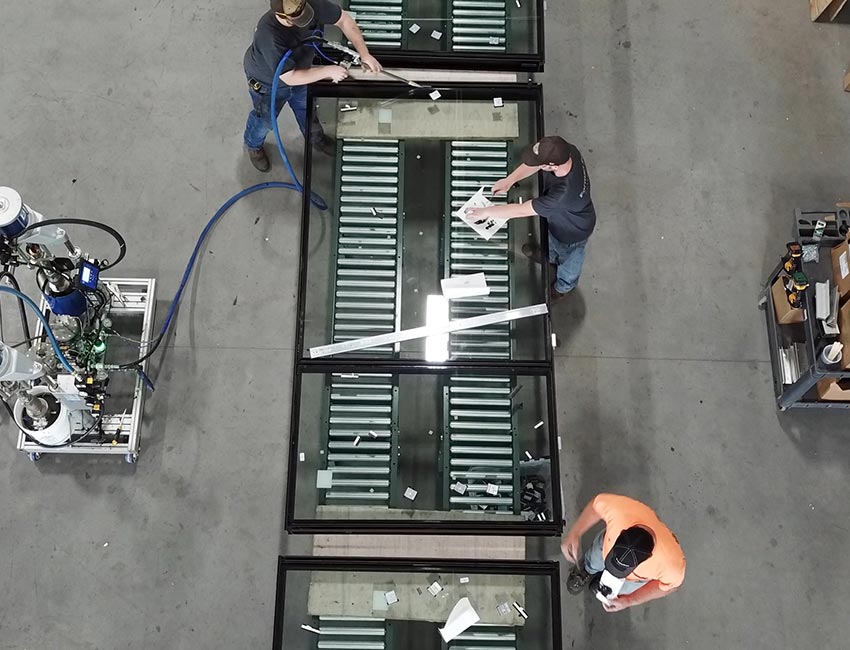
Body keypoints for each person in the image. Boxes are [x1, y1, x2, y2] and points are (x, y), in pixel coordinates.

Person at [242, 0, 382, 172]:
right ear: (282, 16)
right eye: (299, 19)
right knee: (265, 120)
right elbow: (290, 77)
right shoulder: (269, 35)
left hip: (302, 70)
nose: (308, 20)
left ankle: (316, 138)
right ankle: (253, 145)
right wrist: (328, 71)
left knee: (306, 109)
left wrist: (365, 54)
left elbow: (344, 20)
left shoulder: (310, 5)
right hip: (269, 83)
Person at [464, 135, 595, 302]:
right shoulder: (568, 151)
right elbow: (536, 165)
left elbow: (521, 210)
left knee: (570, 262)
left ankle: (562, 288)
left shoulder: (561, 195)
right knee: (553, 242)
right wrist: (509, 180)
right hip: (561, 218)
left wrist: (486, 212)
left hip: (574, 231)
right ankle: (550, 256)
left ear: (551, 165)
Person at [561, 493, 685, 612]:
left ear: (649, 557)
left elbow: (668, 587)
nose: (611, 573)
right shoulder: (622, 511)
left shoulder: (671, 565)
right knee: (594, 559)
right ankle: (586, 570)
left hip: (633, 580)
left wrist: (630, 600)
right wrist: (575, 533)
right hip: (604, 547)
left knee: (622, 590)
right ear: (622, 531)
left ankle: (603, 584)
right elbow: (596, 505)